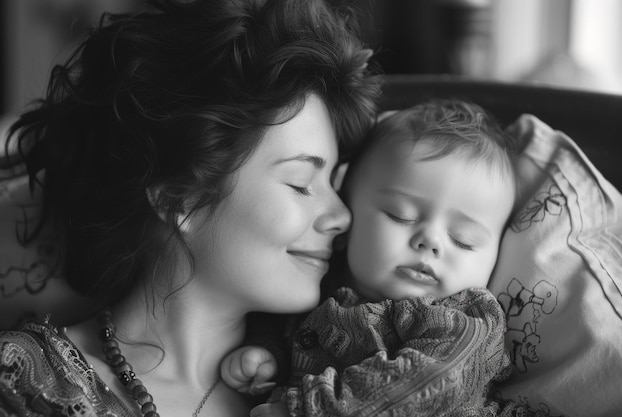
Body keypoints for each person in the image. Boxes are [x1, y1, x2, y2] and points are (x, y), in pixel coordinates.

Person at [0, 0, 381, 415]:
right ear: (178, 198)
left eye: (336, 184)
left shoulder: (352, 383)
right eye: (302, 184)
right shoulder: (24, 382)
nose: (342, 216)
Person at [221, 99, 522, 416]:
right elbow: (281, 321)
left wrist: (307, 411)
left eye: (464, 240)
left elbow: (425, 384)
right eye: (400, 216)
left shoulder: (461, 325)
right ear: (346, 209)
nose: (431, 242)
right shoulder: (316, 281)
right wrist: (267, 353)